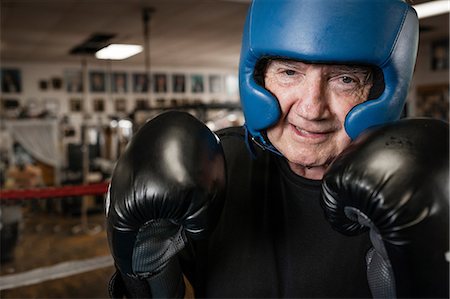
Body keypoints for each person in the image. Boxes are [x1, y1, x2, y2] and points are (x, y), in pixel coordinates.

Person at [105, 0, 449, 298]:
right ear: (258, 79)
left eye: (345, 79)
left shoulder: (422, 182)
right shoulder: (214, 165)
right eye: (289, 72)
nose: (312, 109)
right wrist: (145, 271)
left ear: (381, 91)